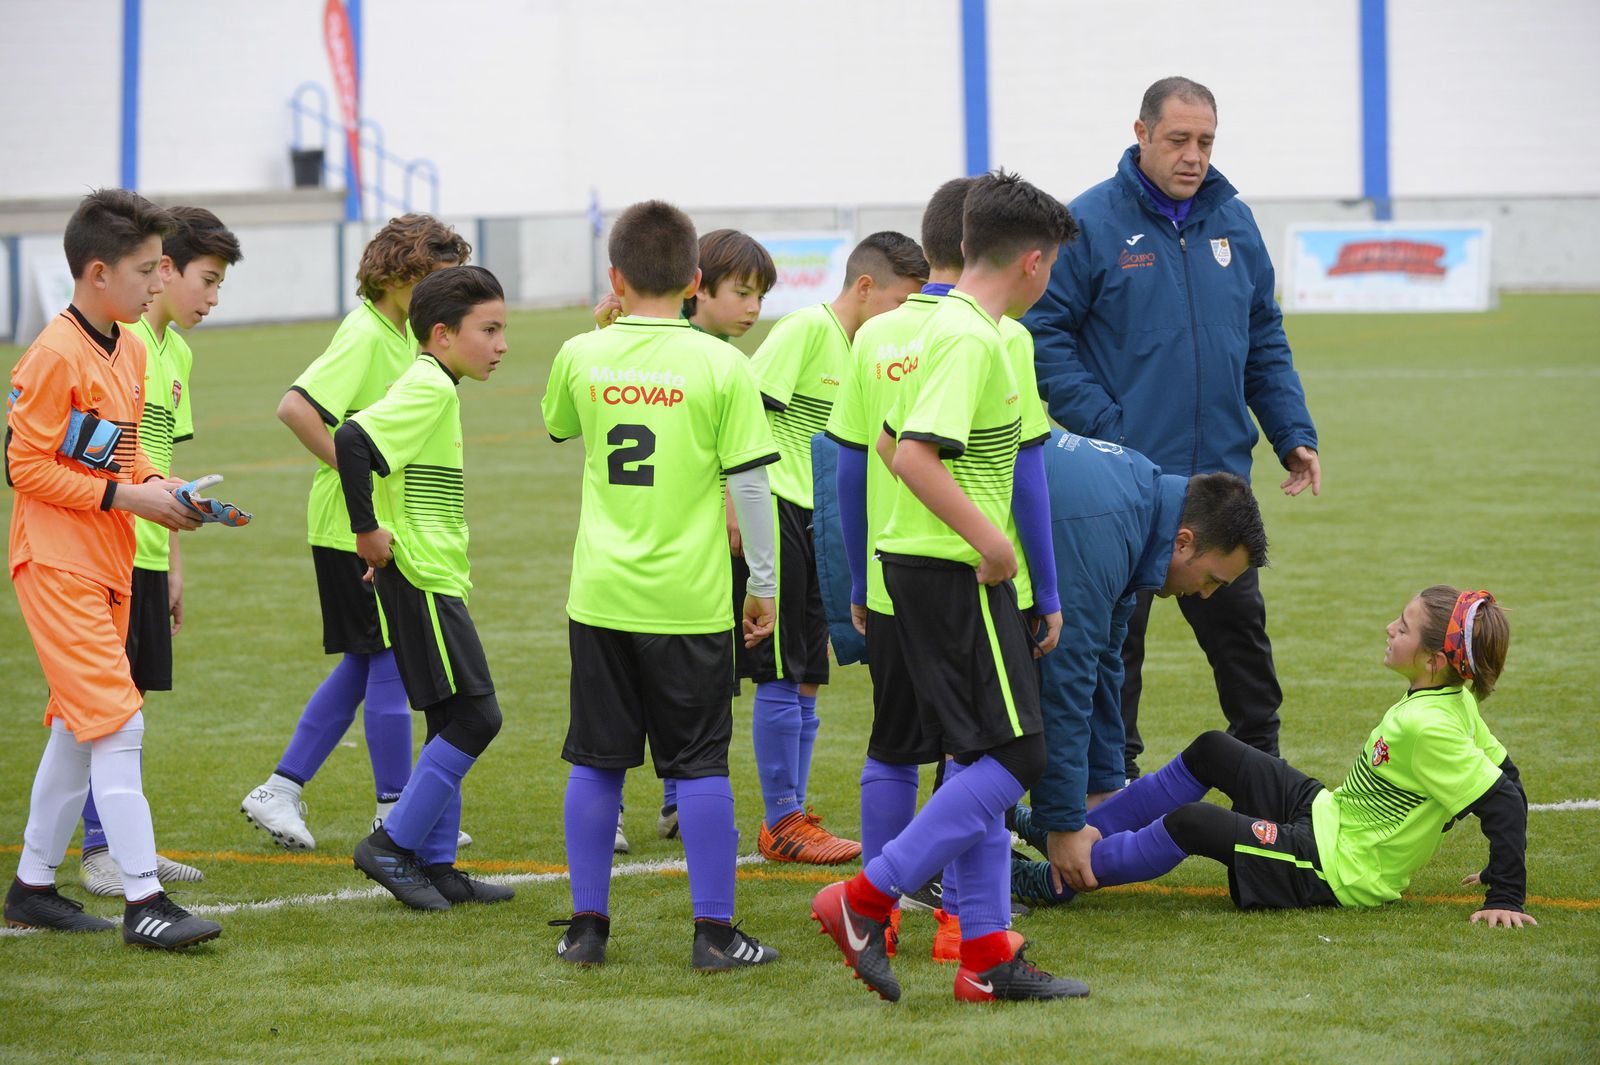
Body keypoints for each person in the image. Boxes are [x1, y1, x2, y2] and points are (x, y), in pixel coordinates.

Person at [811, 170, 1087, 1004]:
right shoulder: (974, 339)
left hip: (922, 566)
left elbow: (887, 436)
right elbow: (913, 455)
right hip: (950, 570)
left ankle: (986, 953)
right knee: (1017, 754)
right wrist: (996, 545)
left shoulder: (937, 329)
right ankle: (864, 896)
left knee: (975, 754)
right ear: (1034, 262)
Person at [1022, 75, 1320, 779]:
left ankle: (1264, 774)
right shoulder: (1089, 222)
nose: (1193, 156)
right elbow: (1044, 336)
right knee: (1111, 650)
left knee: (1242, 638)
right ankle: (1108, 781)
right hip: (1122, 489)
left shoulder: (1235, 222)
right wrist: (1110, 428)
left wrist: (1291, 431)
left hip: (1219, 485)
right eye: (1179, 139)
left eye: (1206, 141)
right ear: (1142, 134)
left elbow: (1263, 336)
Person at [542, 200, 782, 971]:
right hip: (688, 597)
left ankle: (587, 930)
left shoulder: (582, 353)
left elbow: (557, 422)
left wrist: (604, 328)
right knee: (701, 763)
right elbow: (751, 488)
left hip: (601, 593)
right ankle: (713, 933)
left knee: (597, 760)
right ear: (694, 278)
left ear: (614, 277)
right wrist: (764, 582)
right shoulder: (723, 364)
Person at [1009, 587, 1533, 929]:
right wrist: (1495, 865)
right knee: (1214, 748)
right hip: (1328, 814)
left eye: (1403, 626)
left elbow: (1502, 800)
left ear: (1433, 660)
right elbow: (1505, 776)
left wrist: (1506, 894)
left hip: (1335, 869)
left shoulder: (1430, 724)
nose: (1389, 629)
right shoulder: (1452, 699)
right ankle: (1070, 834)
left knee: (1192, 822)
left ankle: (1058, 879)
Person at [3, 188, 220, 950]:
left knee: (75, 728)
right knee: (120, 722)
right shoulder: (52, 355)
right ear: (98, 272)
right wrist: (127, 493)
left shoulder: (131, 346)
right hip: (56, 565)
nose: (159, 282)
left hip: (108, 563)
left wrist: (166, 492)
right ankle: (144, 899)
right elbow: (23, 469)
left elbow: (124, 455)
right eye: (146, 269)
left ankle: (31, 886)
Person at [242, 215, 470, 849]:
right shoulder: (367, 334)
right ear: (397, 275)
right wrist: (357, 481)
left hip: (371, 527)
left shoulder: (403, 336)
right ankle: (394, 810)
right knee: (390, 661)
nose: (440, 296)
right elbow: (297, 408)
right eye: (432, 280)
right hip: (351, 530)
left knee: (365, 664)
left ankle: (280, 789)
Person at [1005, 432, 1267, 900]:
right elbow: (1065, 680)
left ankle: (986, 843)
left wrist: (1102, 788)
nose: (1206, 594)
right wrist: (1065, 826)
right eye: (1211, 579)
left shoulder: (1144, 501)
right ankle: (943, 877)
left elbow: (1105, 660)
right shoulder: (1107, 530)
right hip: (905, 557)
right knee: (983, 723)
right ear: (1184, 542)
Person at [746, 231, 927, 866]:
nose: (909, 315)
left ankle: (791, 815)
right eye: (903, 300)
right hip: (776, 509)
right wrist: (734, 513)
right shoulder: (804, 330)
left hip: (822, 523)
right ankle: (781, 817)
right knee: (779, 665)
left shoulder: (871, 350)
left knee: (810, 672)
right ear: (866, 286)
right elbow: (742, 416)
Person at [594, 228, 778, 853]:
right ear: (698, 287)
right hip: (685, 558)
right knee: (671, 695)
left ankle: (668, 801)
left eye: (761, 296)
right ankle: (644, 806)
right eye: (743, 292)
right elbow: (736, 467)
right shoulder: (711, 361)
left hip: (624, 568)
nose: (754, 308)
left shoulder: (623, 351)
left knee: (662, 694)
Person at [76, 206, 242, 897]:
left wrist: (174, 563)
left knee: (133, 698)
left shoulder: (177, 354)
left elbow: (159, 462)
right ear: (163, 269)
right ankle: (98, 850)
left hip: (148, 552)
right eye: (206, 280)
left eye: (219, 287)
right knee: (110, 708)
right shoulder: (119, 339)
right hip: (104, 549)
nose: (210, 299)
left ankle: (122, 841)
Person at [342, 265, 513, 910]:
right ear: (441, 335)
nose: (500, 345)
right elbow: (352, 439)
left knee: (449, 716)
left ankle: (440, 866)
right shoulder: (431, 387)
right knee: (477, 715)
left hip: (428, 573)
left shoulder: (439, 384)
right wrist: (367, 531)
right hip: (421, 575)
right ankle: (392, 844)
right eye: (488, 330)